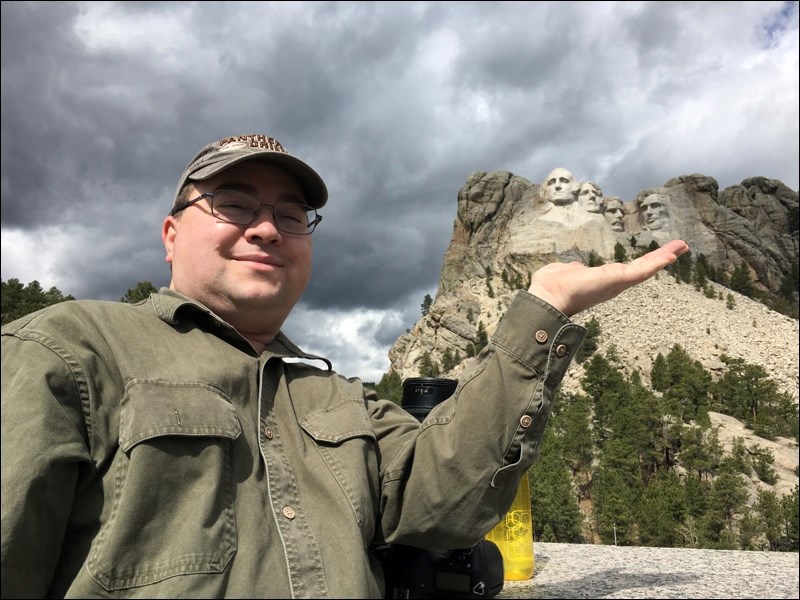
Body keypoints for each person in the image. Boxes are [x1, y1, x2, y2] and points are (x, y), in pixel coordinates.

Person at [0, 133, 689, 599]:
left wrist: (544, 306)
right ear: (171, 233)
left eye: (291, 215)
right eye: (234, 204)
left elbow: (444, 502)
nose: (267, 227)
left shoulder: (342, 397)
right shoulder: (67, 349)